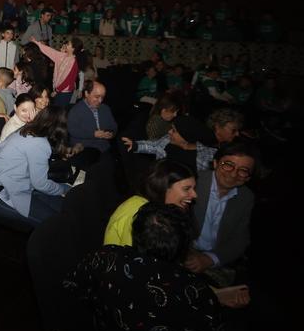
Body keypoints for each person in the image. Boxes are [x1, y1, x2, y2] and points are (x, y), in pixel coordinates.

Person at [68, 203, 240, 331]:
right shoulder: (194, 291)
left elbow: (74, 289)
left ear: (136, 232)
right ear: (182, 247)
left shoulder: (104, 257)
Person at [0, 106, 72, 228]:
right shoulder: (40, 144)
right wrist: (64, 189)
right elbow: (40, 184)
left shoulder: (26, 129)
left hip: (8, 184)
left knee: (61, 207)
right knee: (56, 224)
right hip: (2, 194)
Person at [186, 140, 257, 286]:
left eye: (243, 170)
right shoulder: (193, 183)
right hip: (184, 253)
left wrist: (210, 259)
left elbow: (241, 238)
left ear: (248, 177)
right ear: (215, 163)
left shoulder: (246, 197)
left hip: (216, 260)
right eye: (228, 165)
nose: (234, 174)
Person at [104, 160, 197, 246]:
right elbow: (134, 258)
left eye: (193, 188)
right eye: (186, 189)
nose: (194, 195)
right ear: (163, 187)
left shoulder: (161, 210)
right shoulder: (137, 212)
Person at [122, 115, 217, 173]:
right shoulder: (168, 140)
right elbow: (154, 145)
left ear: (186, 138)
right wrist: (136, 145)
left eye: (174, 131)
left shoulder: (206, 158)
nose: (169, 132)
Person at [31, 36, 84, 107]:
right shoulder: (62, 56)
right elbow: (49, 51)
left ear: (73, 48)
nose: (66, 45)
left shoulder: (74, 62)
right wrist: (36, 42)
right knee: (56, 111)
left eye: (68, 44)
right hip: (58, 90)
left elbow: (68, 80)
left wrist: (57, 91)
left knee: (60, 112)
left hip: (65, 92)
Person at [67, 80, 117, 152]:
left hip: (103, 147)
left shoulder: (105, 108)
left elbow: (114, 126)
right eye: (97, 97)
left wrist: (111, 134)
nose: (100, 100)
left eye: (102, 97)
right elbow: (72, 130)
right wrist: (93, 134)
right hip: (84, 148)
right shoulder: (76, 110)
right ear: (87, 93)